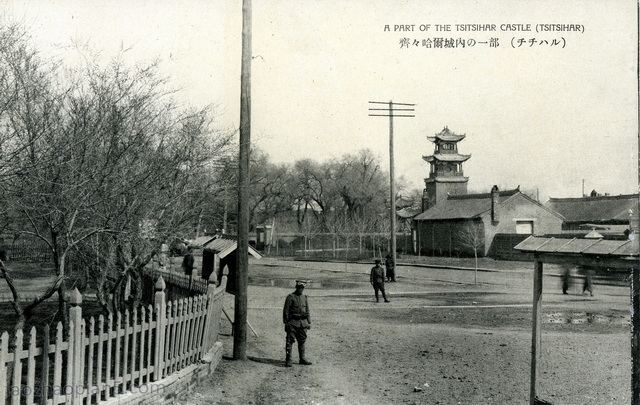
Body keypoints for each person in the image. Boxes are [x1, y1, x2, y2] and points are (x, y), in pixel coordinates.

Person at [283, 280, 312, 367]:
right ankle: (288, 360)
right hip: (293, 323)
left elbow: (307, 310)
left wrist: (308, 322)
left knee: (302, 341)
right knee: (289, 341)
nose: (301, 289)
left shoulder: (304, 297)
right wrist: (286, 322)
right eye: (299, 287)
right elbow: (286, 310)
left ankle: (302, 358)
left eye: (302, 288)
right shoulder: (290, 297)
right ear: (296, 287)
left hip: (303, 323)